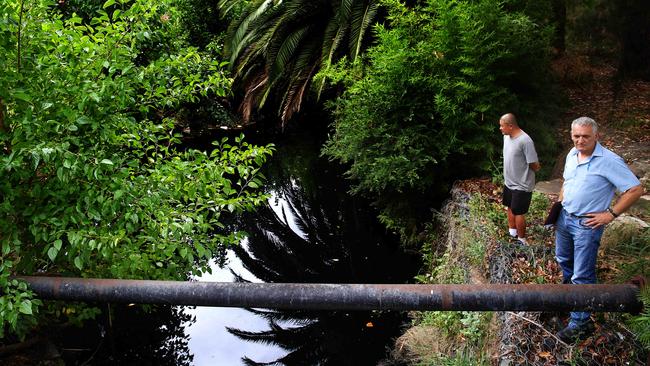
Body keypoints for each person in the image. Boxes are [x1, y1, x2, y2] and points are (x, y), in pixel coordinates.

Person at [555, 116, 644, 342]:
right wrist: (560, 202)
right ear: (571, 135)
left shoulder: (609, 161)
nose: (580, 140)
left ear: (597, 136)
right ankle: (570, 302)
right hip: (565, 219)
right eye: (576, 136)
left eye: (585, 136)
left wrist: (611, 214)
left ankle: (580, 322)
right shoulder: (572, 154)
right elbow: (567, 180)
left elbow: (635, 189)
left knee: (582, 273)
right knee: (564, 260)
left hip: (587, 224)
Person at [499, 113, 541, 244]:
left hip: (522, 185)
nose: (500, 128)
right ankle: (512, 232)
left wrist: (531, 172)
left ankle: (522, 240)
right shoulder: (506, 137)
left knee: (519, 212)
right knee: (510, 206)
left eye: (502, 126)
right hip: (509, 182)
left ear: (510, 126)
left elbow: (534, 164)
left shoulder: (525, 141)